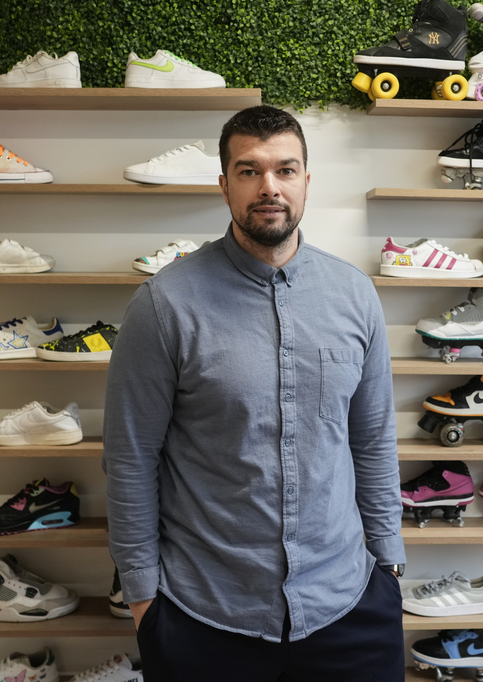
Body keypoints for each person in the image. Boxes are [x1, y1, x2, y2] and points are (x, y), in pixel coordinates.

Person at [102, 105, 406, 681]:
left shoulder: (355, 295)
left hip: (349, 604)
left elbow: (372, 439)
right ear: (223, 186)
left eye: (285, 170)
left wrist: (388, 562)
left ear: (306, 182)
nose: (269, 187)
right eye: (249, 171)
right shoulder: (164, 306)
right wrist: (143, 598)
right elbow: (130, 457)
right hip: (206, 615)